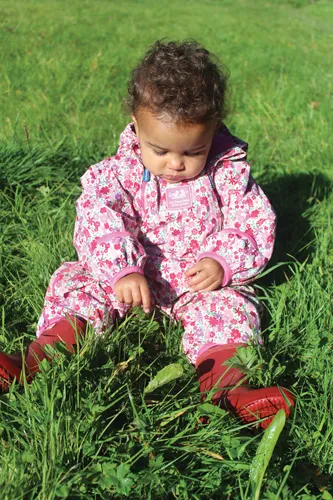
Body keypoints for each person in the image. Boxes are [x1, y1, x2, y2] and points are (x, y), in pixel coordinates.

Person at [0, 40, 294, 429]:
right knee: (79, 285)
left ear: (214, 130)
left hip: (198, 283)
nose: (175, 163)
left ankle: (229, 390)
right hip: (130, 280)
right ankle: (36, 361)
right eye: (160, 150)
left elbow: (251, 222)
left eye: (193, 151)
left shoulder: (226, 172)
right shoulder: (119, 174)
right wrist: (122, 269)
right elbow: (98, 218)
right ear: (136, 127)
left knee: (228, 309)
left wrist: (220, 262)